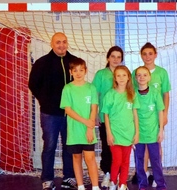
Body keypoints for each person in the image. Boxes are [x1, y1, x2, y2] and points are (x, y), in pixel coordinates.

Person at [28, 32, 77, 190]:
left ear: (67, 43)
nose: (61, 45)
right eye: (58, 42)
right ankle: (47, 178)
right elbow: (33, 84)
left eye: (64, 42)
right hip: (50, 114)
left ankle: (69, 177)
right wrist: (45, 101)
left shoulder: (74, 62)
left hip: (70, 114)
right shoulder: (42, 63)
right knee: (49, 146)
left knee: (69, 146)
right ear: (52, 44)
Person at [131, 42, 171, 186]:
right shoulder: (136, 73)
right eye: (144, 53)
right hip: (140, 121)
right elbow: (131, 96)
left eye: (150, 53)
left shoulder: (162, 72)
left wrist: (165, 114)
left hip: (155, 118)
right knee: (141, 151)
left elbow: (166, 94)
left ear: (155, 54)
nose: (147, 56)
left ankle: (156, 177)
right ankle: (144, 175)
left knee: (156, 149)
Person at [60, 57, 100, 190]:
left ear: (86, 71)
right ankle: (81, 186)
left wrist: (90, 127)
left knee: (90, 158)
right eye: (75, 70)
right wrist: (86, 122)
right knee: (76, 157)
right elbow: (68, 110)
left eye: (81, 70)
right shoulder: (67, 88)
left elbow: (94, 108)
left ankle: (95, 186)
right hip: (74, 130)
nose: (78, 73)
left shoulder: (91, 88)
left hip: (88, 130)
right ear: (70, 72)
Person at [101, 65, 140, 190]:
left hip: (128, 134)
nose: (121, 78)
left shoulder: (132, 94)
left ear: (128, 77)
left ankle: (123, 183)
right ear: (115, 78)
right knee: (116, 160)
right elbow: (106, 115)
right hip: (115, 133)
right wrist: (109, 133)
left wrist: (137, 133)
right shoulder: (110, 94)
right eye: (118, 75)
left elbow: (135, 115)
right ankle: (113, 181)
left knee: (125, 161)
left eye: (124, 75)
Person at [92, 46, 124, 188]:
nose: (116, 59)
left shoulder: (124, 74)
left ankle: (118, 176)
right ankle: (107, 174)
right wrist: (95, 115)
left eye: (118, 57)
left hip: (121, 119)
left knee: (121, 148)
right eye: (113, 56)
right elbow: (94, 95)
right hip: (105, 118)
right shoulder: (101, 74)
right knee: (107, 147)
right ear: (108, 58)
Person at [134, 66, 167, 190]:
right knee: (140, 160)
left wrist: (161, 130)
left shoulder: (155, 93)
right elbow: (133, 114)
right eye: (139, 75)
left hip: (153, 133)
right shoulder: (133, 94)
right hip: (139, 133)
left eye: (144, 75)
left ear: (149, 77)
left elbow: (160, 111)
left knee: (156, 160)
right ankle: (142, 183)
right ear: (136, 78)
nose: (142, 77)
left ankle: (160, 183)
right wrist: (134, 133)